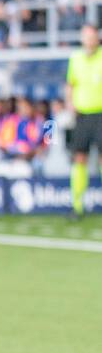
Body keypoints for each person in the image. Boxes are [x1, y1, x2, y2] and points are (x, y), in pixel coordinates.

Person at [66, 23, 102, 219]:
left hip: (101, 114)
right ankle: (77, 206)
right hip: (82, 116)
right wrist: (70, 104)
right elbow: (70, 84)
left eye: (93, 36)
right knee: (79, 158)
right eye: (86, 36)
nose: (90, 40)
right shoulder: (76, 58)